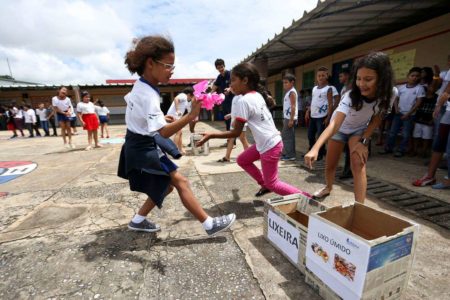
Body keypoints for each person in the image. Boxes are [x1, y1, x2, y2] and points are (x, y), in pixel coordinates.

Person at [118, 35, 235, 235]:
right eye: (168, 65)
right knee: (180, 182)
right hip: (143, 146)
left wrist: (162, 118)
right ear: (150, 63)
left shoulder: (141, 86)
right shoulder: (149, 95)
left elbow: (139, 111)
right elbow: (162, 132)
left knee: (168, 187)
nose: (172, 71)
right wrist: (192, 115)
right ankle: (209, 224)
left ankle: (138, 220)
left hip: (137, 143)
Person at [197, 62, 311, 199]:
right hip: (269, 142)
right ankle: (264, 184)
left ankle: (307, 198)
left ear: (245, 80)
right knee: (242, 160)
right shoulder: (255, 95)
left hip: (270, 145)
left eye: (233, 80)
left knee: (273, 183)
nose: (230, 84)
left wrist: (211, 135)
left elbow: (235, 133)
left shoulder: (244, 101)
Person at [304, 52, 394, 203]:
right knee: (330, 165)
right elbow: (335, 124)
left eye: (368, 79)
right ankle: (328, 187)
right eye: (358, 79)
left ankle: (360, 206)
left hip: (358, 130)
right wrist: (315, 147)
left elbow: (378, 118)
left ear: (382, 79)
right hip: (339, 129)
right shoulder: (351, 95)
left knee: (358, 164)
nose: (361, 84)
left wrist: (364, 141)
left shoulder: (390, 94)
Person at [413, 72, 450, 188]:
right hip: (448, 112)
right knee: (439, 144)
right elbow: (447, 90)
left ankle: (448, 180)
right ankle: (430, 176)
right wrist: (439, 105)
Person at [379, 67, 425, 157]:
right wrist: (396, 108)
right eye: (412, 75)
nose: (414, 77)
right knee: (392, 132)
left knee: (406, 134)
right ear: (408, 76)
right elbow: (396, 98)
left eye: (417, 76)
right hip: (398, 114)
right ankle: (388, 148)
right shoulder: (402, 87)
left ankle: (401, 150)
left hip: (410, 115)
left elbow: (418, 103)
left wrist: (408, 114)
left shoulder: (420, 89)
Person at [305, 66, 339, 161]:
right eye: (319, 75)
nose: (320, 77)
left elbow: (330, 104)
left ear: (327, 76)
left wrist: (328, 117)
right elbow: (313, 101)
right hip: (313, 116)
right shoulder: (314, 88)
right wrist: (308, 111)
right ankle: (312, 151)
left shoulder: (329, 89)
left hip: (322, 116)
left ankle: (319, 153)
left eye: (323, 75)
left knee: (320, 136)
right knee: (310, 135)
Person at [217, 92, 251, 163]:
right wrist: (230, 115)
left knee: (243, 139)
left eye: (232, 86)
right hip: (234, 122)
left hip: (239, 122)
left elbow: (241, 110)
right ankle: (227, 157)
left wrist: (235, 120)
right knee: (231, 139)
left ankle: (249, 157)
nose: (231, 88)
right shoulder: (235, 97)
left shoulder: (241, 97)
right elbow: (235, 110)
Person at [411, 79, 437, 157]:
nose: (431, 88)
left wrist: (433, 120)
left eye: (433, 87)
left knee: (426, 137)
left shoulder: (436, 98)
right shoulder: (422, 96)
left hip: (428, 121)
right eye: (430, 86)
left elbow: (437, 111)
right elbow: (415, 106)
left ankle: (424, 151)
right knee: (416, 136)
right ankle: (415, 150)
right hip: (418, 119)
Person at [212, 58, 235, 147]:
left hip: (232, 100)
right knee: (227, 121)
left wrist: (230, 88)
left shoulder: (230, 74)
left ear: (224, 65)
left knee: (232, 121)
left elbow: (234, 83)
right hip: (224, 101)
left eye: (221, 67)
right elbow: (215, 86)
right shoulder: (219, 77)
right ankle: (229, 140)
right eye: (218, 67)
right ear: (216, 68)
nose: (220, 69)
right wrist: (209, 94)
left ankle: (233, 142)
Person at [165, 87, 193, 155]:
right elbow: (176, 99)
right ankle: (173, 151)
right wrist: (177, 110)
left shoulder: (186, 100)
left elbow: (189, 110)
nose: (192, 98)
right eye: (192, 96)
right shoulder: (183, 95)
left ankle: (180, 149)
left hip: (176, 116)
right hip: (173, 115)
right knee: (178, 132)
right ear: (189, 94)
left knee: (180, 133)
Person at [338, 68, 353, 179]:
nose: (340, 78)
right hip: (344, 120)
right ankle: (347, 170)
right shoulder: (343, 88)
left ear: (347, 75)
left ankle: (349, 171)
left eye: (341, 76)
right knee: (346, 147)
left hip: (353, 121)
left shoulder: (353, 88)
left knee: (350, 148)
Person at [280, 74, 298, 161]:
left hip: (290, 118)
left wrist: (291, 119)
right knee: (286, 136)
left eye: (286, 82)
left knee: (288, 137)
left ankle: (290, 155)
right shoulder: (289, 92)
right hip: (287, 117)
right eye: (283, 83)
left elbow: (293, 106)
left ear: (292, 82)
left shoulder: (292, 92)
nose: (284, 84)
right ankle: (287, 153)